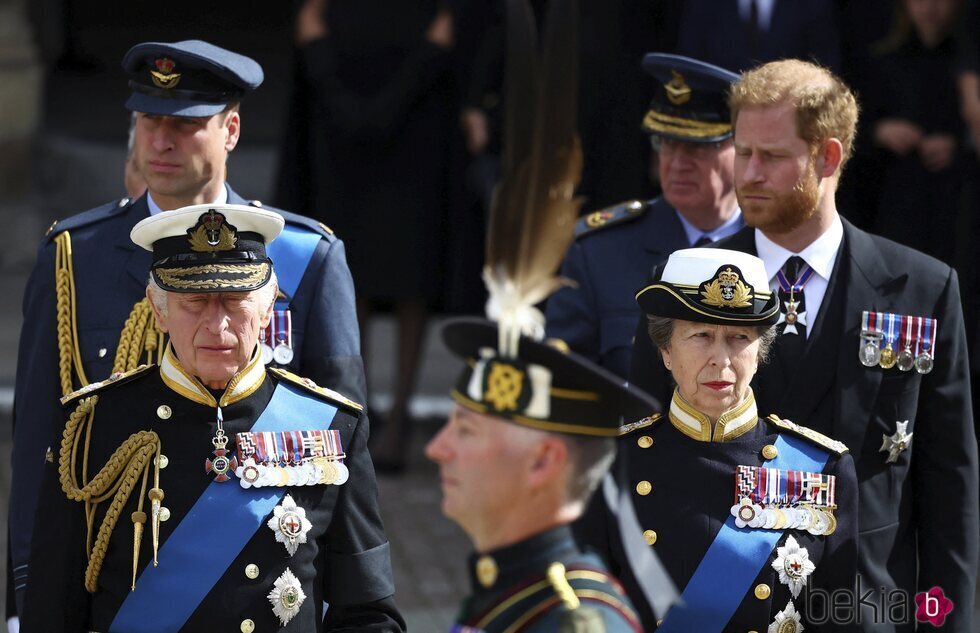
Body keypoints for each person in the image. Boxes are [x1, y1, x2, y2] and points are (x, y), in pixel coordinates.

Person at [9, 39, 366, 619]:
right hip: (123, 588)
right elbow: (39, 449)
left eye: (186, 123)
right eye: (148, 119)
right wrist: (25, 599)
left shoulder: (306, 258)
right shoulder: (76, 256)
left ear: (231, 130)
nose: (161, 140)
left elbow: (343, 443)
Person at [630, 59, 979, 632]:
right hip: (723, 609)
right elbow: (644, 454)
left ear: (829, 157)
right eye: (742, 152)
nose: (750, 173)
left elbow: (949, 487)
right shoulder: (682, 287)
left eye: (772, 156)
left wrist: (949, 624)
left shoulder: (921, 288)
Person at [21, 204, 403, 631]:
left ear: (267, 307)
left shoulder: (330, 425)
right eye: (195, 302)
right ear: (158, 309)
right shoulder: (91, 428)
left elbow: (368, 613)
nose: (216, 325)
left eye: (234, 301)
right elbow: (50, 612)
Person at [578, 247, 858, 632]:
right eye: (701, 335)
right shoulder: (612, 463)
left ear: (760, 353)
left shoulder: (823, 466)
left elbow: (839, 616)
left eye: (739, 337)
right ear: (665, 351)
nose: (721, 359)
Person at [283, 0, 456, 471]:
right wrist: (346, 106)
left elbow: (448, 36)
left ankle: (398, 417)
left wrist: (383, 108)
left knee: (410, 275)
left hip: (414, 137)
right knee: (345, 269)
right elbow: (309, 29)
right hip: (339, 140)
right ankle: (351, 409)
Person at [426, 314, 660, 632]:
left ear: (542, 462)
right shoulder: (514, 588)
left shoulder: (572, 621)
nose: (436, 449)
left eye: (465, 430)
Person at [546, 53, 744, 379]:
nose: (677, 162)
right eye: (666, 142)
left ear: (741, 147)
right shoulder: (600, 252)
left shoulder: (774, 244)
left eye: (697, 147)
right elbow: (566, 381)